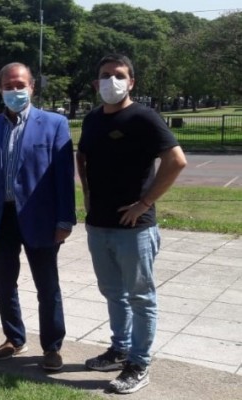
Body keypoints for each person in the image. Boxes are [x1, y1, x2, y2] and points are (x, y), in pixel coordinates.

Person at [77, 54, 186, 394]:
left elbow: (176, 160)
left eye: (119, 75)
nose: (111, 81)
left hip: (135, 230)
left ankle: (139, 363)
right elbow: (82, 157)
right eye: (105, 75)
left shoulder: (144, 117)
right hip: (99, 225)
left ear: (132, 81)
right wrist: (87, 196)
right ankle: (119, 348)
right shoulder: (93, 119)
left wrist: (144, 203)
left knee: (140, 297)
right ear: (96, 83)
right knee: (113, 293)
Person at [0, 62, 76, 371]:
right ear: (0, 89)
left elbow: (63, 177)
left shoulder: (54, 124)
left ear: (31, 87)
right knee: (3, 284)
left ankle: (52, 346)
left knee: (47, 286)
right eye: (8, 85)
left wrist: (64, 220)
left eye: (20, 85)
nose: (14, 90)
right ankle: (14, 338)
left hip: (39, 217)